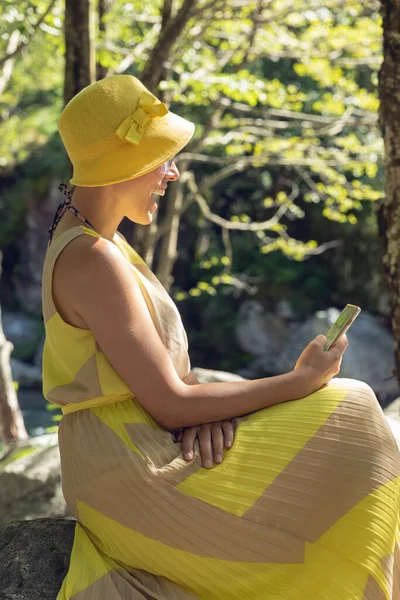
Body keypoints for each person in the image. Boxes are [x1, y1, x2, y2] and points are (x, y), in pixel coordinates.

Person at [41, 74, 400, 600]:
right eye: (163, 158)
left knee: (354, 409)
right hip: (129, 470)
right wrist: (299, 381)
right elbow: (169, 401)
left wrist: (212, 415)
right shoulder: (94, 259)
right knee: (352, 409)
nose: (173, 173)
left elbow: (166, 391)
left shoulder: (97, 244)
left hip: (142, 447)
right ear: (126, 164)